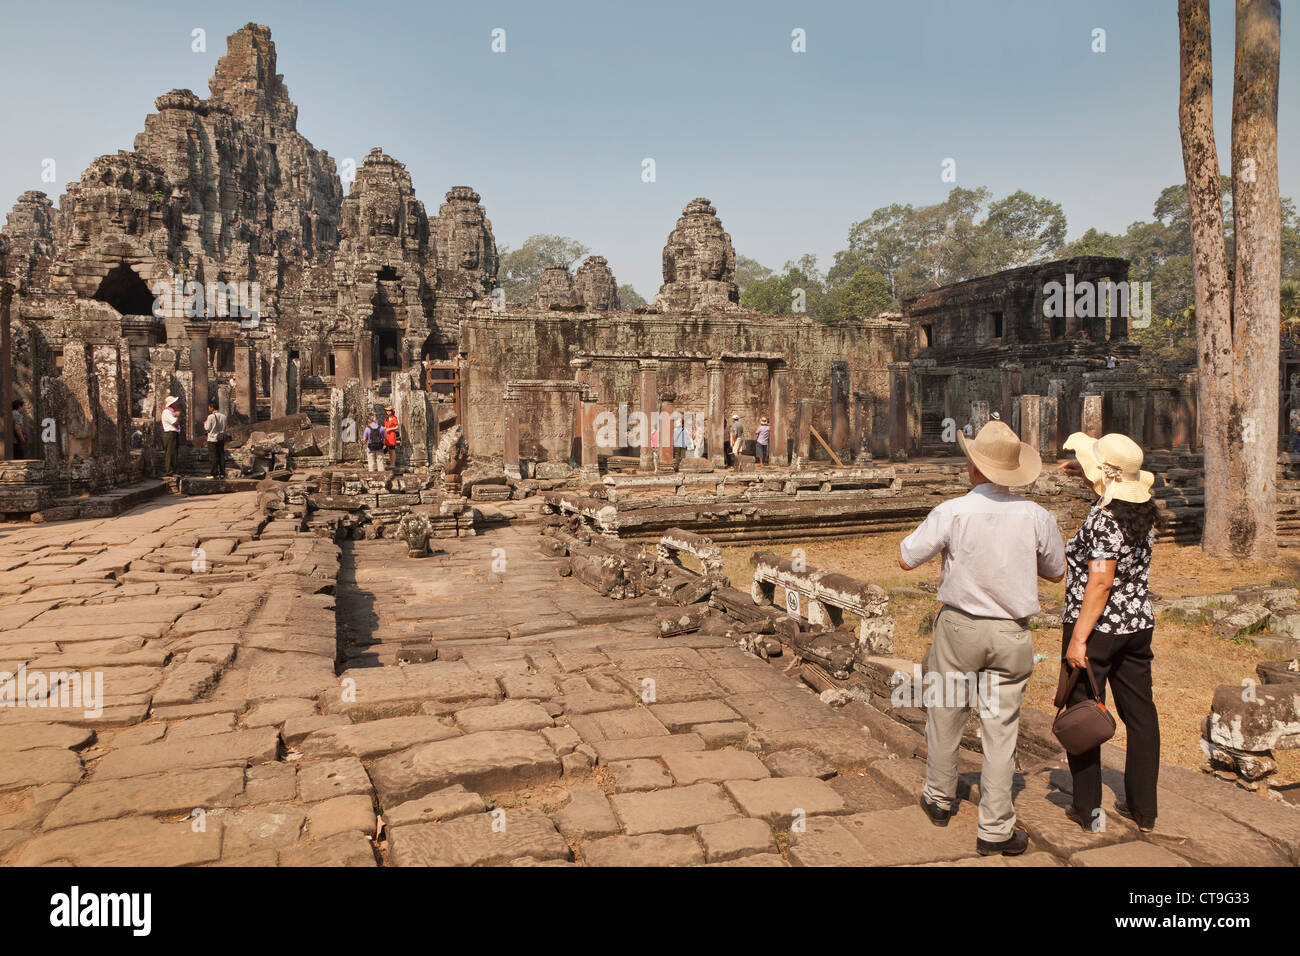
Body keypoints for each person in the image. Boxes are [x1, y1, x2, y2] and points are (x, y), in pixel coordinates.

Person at [898, 419, 1066, 857]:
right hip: (1011, 632)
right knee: (1000, 730)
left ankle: (938, 798)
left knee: (946, 713)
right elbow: (1056, 572)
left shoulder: (952, 511)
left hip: (960, 627)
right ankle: (994, 827)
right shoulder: (1037, 516)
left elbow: (905, 558)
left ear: (974, 468)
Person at [1057, 432, 1161, 834]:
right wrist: (1084, 473)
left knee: (1082, 711)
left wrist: (1079, 638)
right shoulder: (1143, 512)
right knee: (1141, 714)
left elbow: (1100, 582)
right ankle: (1144, 809)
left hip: (1097, 627)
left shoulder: (1102, 519)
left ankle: (1087, 807)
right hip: (1137, 624)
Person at [203, 401, 228, 479]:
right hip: (221, 438)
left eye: (209, 407)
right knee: (221, 455)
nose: (209, 409)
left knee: (213, 456)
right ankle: (222, 473)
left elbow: (207, 428)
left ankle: (214, 473)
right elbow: (224, 427)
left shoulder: (210, 417)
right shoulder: (224, 416)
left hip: (212, 438)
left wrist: (204, 424)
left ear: (212, 408)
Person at [161, 396, 180, 477]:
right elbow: (174, 422)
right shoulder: (166, 412)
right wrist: (177, 416)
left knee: (174, 452)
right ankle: (169, 471)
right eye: (175, 402)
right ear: (172, 404)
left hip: (173, 433)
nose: (176, 403)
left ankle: (173, 470)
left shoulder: (171, 412)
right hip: (170, 433)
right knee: (170, 452)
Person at [383, 406, 400, 473]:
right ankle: (391, 463)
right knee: (389, 450)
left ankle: (393, 464)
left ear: (392, 411)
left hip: (392, 435)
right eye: (387, 411)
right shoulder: (386, 419)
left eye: (389, 411)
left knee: (392, 450)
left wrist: (390, 429)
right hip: (387, 435)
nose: (388, 412)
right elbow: (386, 426)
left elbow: (397, 427)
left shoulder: (394, 418)